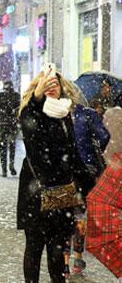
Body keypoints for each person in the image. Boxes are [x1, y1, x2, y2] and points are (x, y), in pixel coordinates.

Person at [17, 69, 95, 283]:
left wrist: (89, 184)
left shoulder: (64, 114)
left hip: (62, 192)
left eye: (55, 85)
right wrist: (36, 99)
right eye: (46, 84)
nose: (52, 88)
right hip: (36, 191)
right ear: (38, 88)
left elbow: (72, 153)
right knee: (34, 247)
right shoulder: (31, 113)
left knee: (57, 250)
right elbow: (31, 137)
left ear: (62, 89)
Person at [69, 99, 110, 276]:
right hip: (87, 169)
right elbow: (104, 137)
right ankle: (77, 259)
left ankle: (64, 262)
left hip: (64, 171)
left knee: (66, 215)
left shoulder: (56, 115)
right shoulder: (87, 114)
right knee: (80, 215)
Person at [0, 80, 21, 177]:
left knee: (3, 147)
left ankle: (4, 169)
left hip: (2, 124)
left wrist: (1, 113)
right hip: (12, 124)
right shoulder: (16, 96)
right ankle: (11, 165)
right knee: (12, 145)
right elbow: (19, 109)